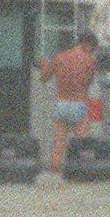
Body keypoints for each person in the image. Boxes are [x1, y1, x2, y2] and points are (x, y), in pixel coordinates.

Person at [39, 30, 98, 173]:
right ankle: (82, 176)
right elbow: (87, 83)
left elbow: (44, 78)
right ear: (88, 45)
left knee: (58, 146)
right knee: (83, 147)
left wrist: (45, 64)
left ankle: (55, 179)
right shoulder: (90, 59)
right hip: (79, 104)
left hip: (62, 104)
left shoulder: (59, 57)